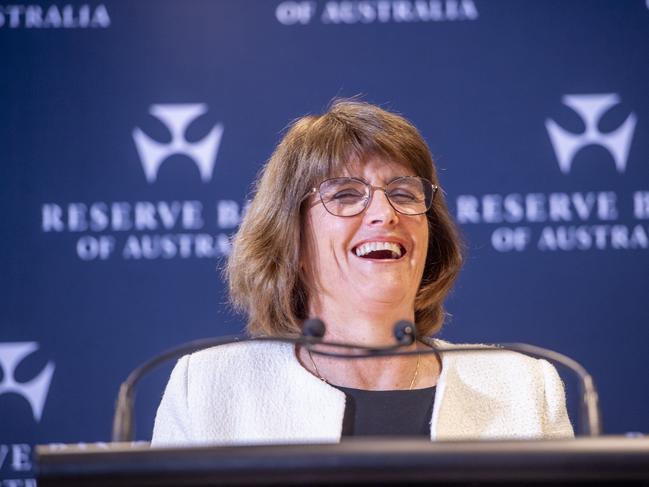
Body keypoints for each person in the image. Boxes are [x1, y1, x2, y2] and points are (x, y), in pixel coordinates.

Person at [152, 100, 573, 445]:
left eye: (403, 192)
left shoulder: (524, 386)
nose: (385, 214)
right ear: (292, 240)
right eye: (347, 194)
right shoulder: (209, 388)